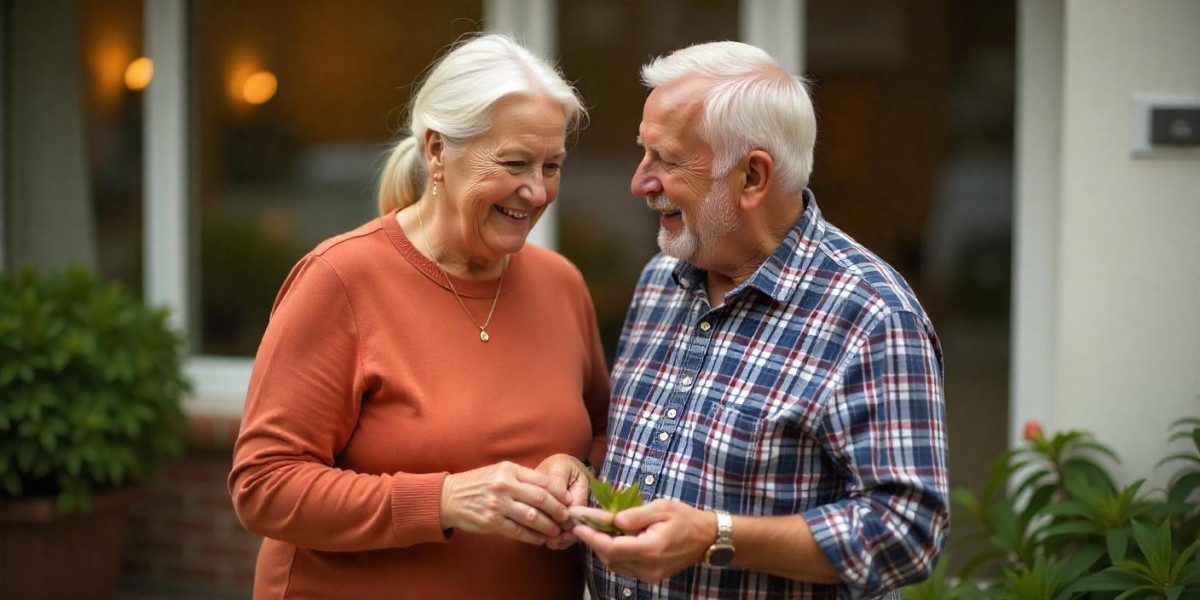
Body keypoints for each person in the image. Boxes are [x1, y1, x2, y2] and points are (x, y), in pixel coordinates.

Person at [229, 34, 609, 599]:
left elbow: (605, 434)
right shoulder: (341, 279)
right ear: (436, 152)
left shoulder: (562, 284)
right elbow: (264, 485)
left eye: (552, 165)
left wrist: (578, 470)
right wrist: (444, 500)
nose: (535, 190)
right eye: (514, 162)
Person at [569, 41, 949, 599]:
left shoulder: (872, 316)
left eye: (667, 160)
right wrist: (576, 469)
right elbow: (646, 455)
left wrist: (715, 536)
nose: (640, 181)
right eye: (643, 153)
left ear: (752, 177)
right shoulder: (661, 279)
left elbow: (907, 532)